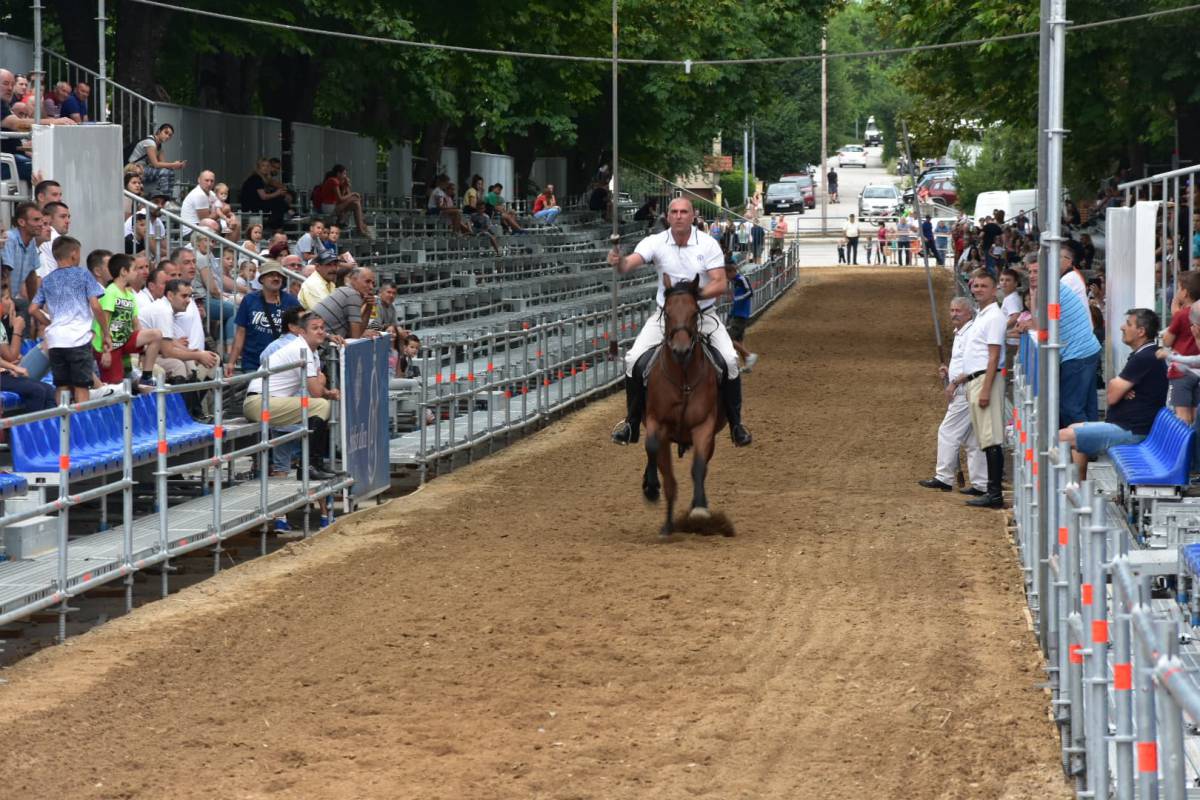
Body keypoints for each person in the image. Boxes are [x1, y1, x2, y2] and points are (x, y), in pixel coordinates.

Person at [607, 196, 751, 447]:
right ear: (667, 216)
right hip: (666, 316)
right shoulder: (655, 241)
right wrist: (619, 262)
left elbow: (719, 282)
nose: (679, 216)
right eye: (674, 211)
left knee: (729, 360)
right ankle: (631, 423)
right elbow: (629, 264)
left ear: (693, 216)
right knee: (632, 360)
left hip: (703, 316)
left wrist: (693, 298)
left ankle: (736, 424)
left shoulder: (707, 244)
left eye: (684, 211)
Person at [1061, 309, 1167, 479]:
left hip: (1133, 432)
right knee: (1073, 428)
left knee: (1062, 437)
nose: (1122, 327)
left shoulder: (1145, 357)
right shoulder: (1144, 354)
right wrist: (1121, 388)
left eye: (1129, 324)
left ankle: (1062, 490)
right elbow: (1115, 390)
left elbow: (1111, 396)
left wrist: (1120, 388)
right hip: (1128, 427)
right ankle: (1078, 487)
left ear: (1141, 332)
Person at [242, 311, 341, 481]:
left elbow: (317, 389)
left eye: (322, 328)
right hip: (258, 403)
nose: (320, 331)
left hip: (269, 401)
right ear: (302, 332)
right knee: (321, 405)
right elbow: (316, 391)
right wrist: (323, 385)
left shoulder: (311, 351)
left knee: (321, 405)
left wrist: (327, 392)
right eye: (314, 328)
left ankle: (314, 464)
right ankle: (308, 466)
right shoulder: (301, 348)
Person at [918, 297, 988, 495]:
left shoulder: (971, 332)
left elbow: (974, 363)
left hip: (965, 389)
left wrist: (955, 382)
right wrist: (949, 372)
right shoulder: (961, 333)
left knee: (947, 431)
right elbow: (962, 362)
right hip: (965, 386)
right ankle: (981, 483)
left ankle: (944, 477)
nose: (954, 314)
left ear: (969, 313)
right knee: (973, 439)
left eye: (958, 311)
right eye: (952, 310)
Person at [28, 237, 109, 403]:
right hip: (78, 339)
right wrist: (106, 333)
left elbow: (33, 309)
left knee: (62, 386)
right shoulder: (83, 274)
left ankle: (62, 424)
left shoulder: (47, 280)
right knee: (81, 386)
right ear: (73, 253)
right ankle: (81, 426)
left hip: (56, 340)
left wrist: (51, 323)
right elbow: (95, 305)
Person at [958, 269, 1007, 508]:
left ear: (994, 288)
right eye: (975, 286)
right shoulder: (983, 315)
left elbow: (994, 355)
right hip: (976, 379)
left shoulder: (994, 316)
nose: (978, 290)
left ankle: (994, 493)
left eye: (983, 286)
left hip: (985, 379)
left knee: (991, 438)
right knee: (985, 438)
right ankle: (989, 489)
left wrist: (986, 389)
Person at [92, 253, 161, 391]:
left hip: (123, 340)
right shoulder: (110, 292)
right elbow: (103, 323)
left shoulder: (129, 295)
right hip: (108, 346)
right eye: (135, 269)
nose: (138, 273)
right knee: (115, 388)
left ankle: (146, 377)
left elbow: (136, 324)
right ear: (124, 272)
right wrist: (106, 351)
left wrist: (143, 349)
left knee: (156, 334)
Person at [225, 261, 301, 375]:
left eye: (279, 275)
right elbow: (240, 333)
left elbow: (305, 326)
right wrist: (231, 362)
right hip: (253, 363)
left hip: (282, 363)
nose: (276, 278)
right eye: (271, 275)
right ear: (262, 279)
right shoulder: (249, 300)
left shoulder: (291, 302)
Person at [1, 69, 75, 183]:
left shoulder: (4, 104)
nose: (10, 88)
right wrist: (55, 122)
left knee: (48, 164)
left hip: (11, 158)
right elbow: (18, 124)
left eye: (12, 84)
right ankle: (49, 199)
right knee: (47, 171)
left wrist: (25, 146)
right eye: (5, 84)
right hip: (6, 163)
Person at [1163, 270, 1200, 424]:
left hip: (1181, 371)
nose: (1177, 291)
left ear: (1184, 293)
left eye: (1178, 288)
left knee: (1182, 416)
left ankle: (1183, 448)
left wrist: (1174, 316)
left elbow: (1167, 341)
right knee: (1195, 413)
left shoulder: (1181, 315)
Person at [312, 267, 380, 340]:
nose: (371, 287)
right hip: (318, 343)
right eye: (367, 282)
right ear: (354, 280)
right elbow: (355, 336)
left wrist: (368, 306)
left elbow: (353, 333)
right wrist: (368, 307)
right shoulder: (353, 295)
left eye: (373, 283)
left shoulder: (345, 291)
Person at [127, 123, 185, 199]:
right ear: (159, 131)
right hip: (134, 169)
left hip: (144, 169)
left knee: (169, 171)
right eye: (166, 132)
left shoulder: (159, 146)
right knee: (165, 172)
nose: (167, 136)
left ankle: (167, 198)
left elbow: (163, 164)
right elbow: (156, 164)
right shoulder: (150, 143)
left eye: (170, 135)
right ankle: (164, 199)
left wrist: (176, 165)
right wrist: (173, 165)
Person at [314, 164, 370, 237]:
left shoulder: (335, 181)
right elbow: (340, 199)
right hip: (329, 207)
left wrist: (345, 186)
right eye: (344, 174)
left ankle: (360, 227)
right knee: (355, 201)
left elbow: (343, 198)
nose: (345, 176)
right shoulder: (333, 181)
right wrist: (353, 194)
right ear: (338, 174)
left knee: (355, 203)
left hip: (333, 206)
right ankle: (360, 228)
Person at [724, 257, 759, 372]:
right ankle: (747, 365)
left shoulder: (742, 279)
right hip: (737, 313)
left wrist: (735, 298)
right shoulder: (735, 281)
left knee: (729, 339)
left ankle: (748, 355)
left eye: (727, 274)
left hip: (741, 314)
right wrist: (730, 313)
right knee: (739, 341)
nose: (726, 277)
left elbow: (750, 292)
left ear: (732, 271)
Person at [240, 157, 291, 230]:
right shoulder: (256, 178)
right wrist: (277, 193)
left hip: (255, 203)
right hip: (251, 206)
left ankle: (282, 219)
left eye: (267, 166)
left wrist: (279, 193)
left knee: (278, 202)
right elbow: (263, 196)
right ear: (258, 167)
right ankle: (286, 216)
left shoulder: (262, 178)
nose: (265, 168)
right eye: (263, 166)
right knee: (278, 201)